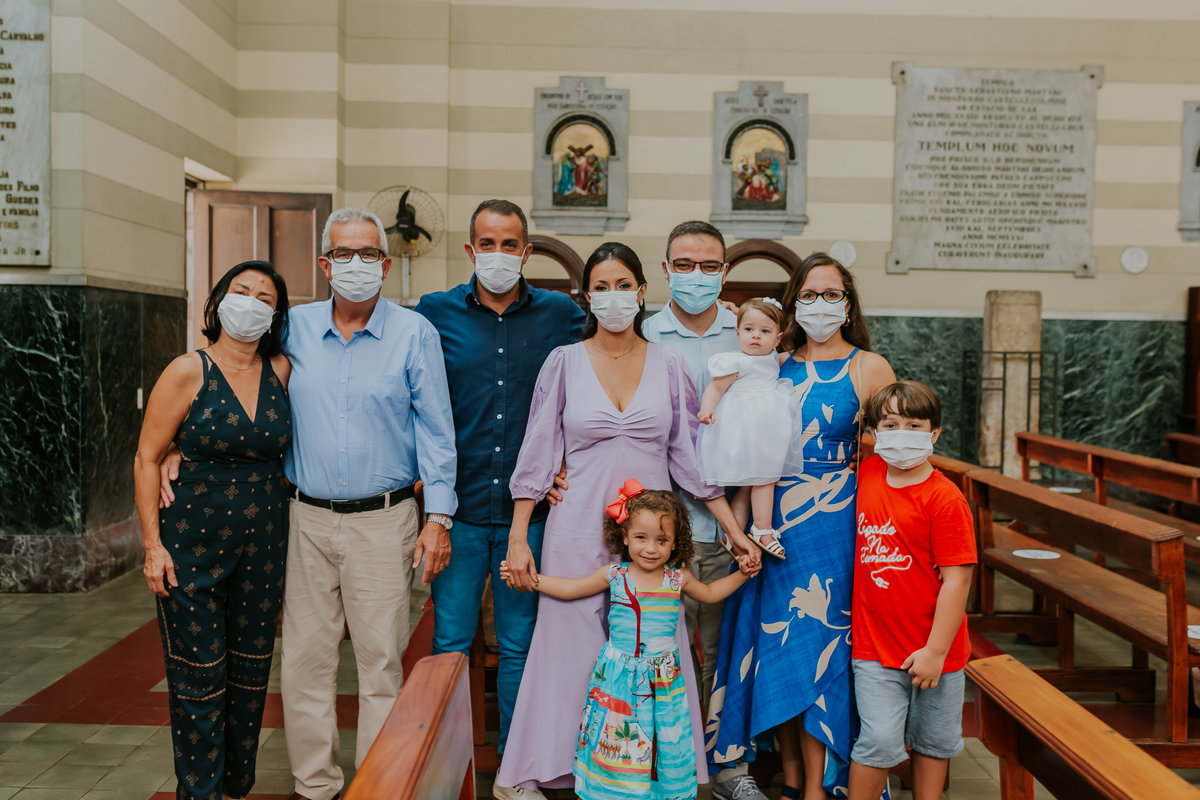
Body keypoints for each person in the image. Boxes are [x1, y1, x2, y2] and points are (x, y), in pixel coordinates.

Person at [496, 242, 760, 795]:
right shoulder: (563, 362)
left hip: (653, 534)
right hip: (575, 525)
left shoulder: (668, 364)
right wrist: (520, 536)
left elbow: (691, 459)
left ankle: (654, 770)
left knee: (654, 643)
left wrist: (735, 533)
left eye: (624, 285)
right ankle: (557, 767)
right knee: (569, 643)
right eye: (601, 286)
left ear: (642, 292)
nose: (613, 296)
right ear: (586, 296)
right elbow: (538, 452)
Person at [706, 253, 897, 800]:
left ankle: (821, 786)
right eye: (808, 296)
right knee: (780, 650)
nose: (819, 305)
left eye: (829, 295)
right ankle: (791, 780)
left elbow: (890, 453)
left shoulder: (870, 367)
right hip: (774, 522)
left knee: (823, 649)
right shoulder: (773, 361)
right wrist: (738, 522)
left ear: (847, 302)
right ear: (793, 305)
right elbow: (748, 447)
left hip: (838, 525)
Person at [415, 199, 585, 785]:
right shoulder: (434, 313)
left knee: (519, 645)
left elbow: (592, 381)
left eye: (509, 244)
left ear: (526, 252)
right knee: (451, 643)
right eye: (486, 243)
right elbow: (405, 392)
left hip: (530, 513)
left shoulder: (561, 314)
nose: (498, 254)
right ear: (469, 250)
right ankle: (445, 770)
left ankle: (513, 770)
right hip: (456, 509)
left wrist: (576, 462)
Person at [135, 260, 293, 800]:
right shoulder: (188, 369)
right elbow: (147, 458)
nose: (250, 301)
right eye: (240, 290)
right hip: (192, 545)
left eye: (264, 296)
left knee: (250, 678)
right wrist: (152, 547)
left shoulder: (283, 370)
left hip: (264, 546)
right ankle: (198, 793)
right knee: (199, 678)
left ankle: (233, 789)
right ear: (220, 300)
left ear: (275, 314)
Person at [499, 482, 759, 800]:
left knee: (662, 740)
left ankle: (658, 793)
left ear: (675, 543)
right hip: (619, 679)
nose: (651, 548)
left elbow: (710, 593)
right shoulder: (615, 575)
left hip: (663, 681)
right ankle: (614, 792)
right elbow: (571, 589)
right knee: (620, 742)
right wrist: (531, 579)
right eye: (641, 538)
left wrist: (743, 573)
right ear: (624, 537)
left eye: (662, 540)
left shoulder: (677, 578)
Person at [643, 220, 765, 800]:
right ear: (665, 270)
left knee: (717, 650)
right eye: (683, 265)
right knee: (655, 649)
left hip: (723, 524)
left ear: (724, 271)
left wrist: (742, 521)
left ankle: (724, 769)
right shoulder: (642, 333)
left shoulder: (745, 334)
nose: (696, 276)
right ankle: (660, 764)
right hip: (655, 528)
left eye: (709, 266)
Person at [848, 382, 976, 800]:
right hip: (875, 648)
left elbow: (957, 580)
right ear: (875, 433)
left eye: (914, 424)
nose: (901, 432)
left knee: (932, 743)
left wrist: (936, 652)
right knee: (880, 741)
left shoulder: (944, 499)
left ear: (934, 433)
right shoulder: (866, 474)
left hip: (938, 651)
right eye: (890, 423)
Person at [697, 297, 793, 560]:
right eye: (748, 330)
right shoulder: (733, 360)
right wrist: (707, 409)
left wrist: (746, 312)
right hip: (743, 432)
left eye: (765, 332)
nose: (755, 336)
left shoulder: (775, 357)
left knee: (748, 486)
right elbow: (715, 388)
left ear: (777, 338)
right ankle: (762, 528)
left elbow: (761, 323)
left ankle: (733, 533)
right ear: (737, 332)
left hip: (766, 431)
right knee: (765, 479)